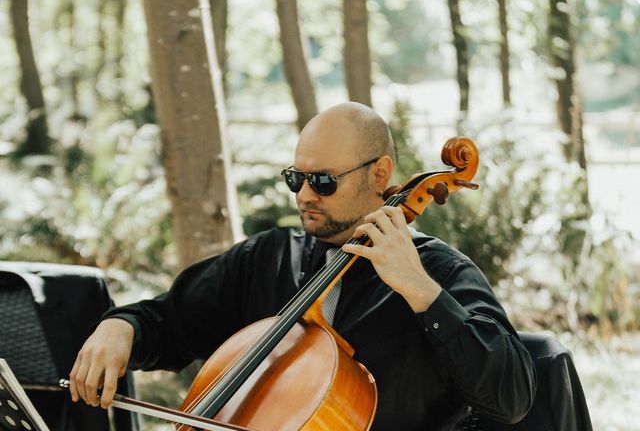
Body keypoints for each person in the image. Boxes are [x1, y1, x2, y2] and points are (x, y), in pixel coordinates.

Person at [69, 102, 536, 430]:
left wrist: (421, 292)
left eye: (323, 181)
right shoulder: (270, 257)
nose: (304, 195)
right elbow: (169, 322)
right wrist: (121, 327)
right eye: (297, 178)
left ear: (380, 174)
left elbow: (511, 396)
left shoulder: (440, 273)